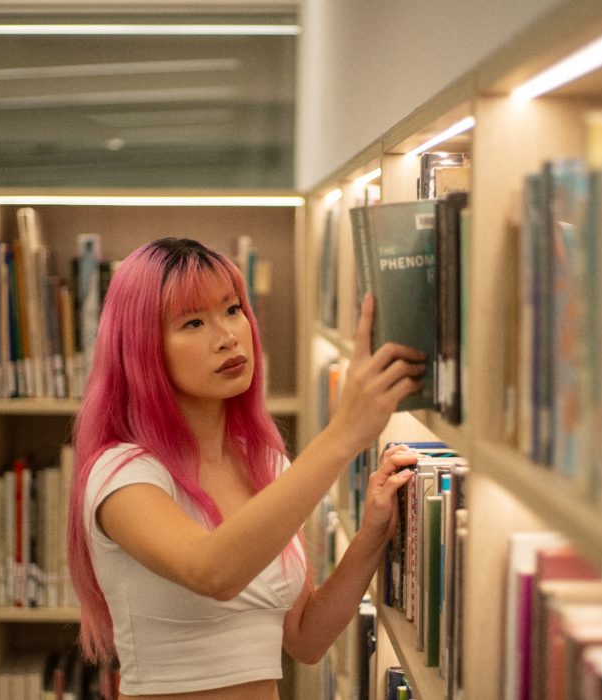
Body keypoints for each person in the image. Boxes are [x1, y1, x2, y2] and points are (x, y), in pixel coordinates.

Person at [67, 237, 426, 700]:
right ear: (143, 349)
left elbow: (306, 637)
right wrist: (344, 433)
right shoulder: (122, 474)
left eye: (233, 309)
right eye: (193, 321)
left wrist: (373, 534)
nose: (228, 336)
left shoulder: (266, 465)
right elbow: (212, 571)